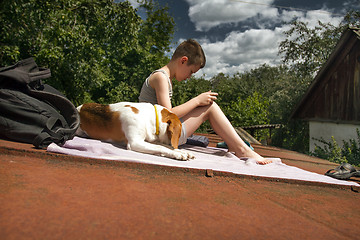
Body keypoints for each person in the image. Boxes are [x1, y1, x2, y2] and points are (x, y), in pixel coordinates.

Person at [139, 39, 272, 165]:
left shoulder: (164, 77)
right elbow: (167, 115)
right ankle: (241, 149)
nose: (189, 77)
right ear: (183, 61)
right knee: (210, 107)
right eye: (191, 72)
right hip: (159, 137)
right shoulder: (161, 77)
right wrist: (197, 100)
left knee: (207, 105)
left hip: (158, 133)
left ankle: (236, 146)